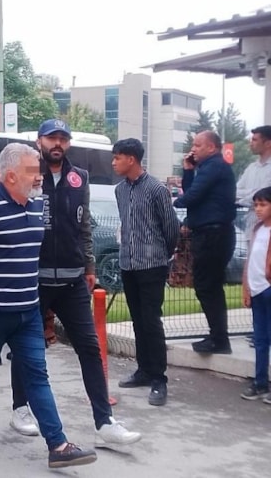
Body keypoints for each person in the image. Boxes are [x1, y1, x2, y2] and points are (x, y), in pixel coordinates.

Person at [0, 143, 97, 468]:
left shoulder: (37, 203)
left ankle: (58, 445)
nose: (39, 176)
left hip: (28, 310)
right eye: (32, 171)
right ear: (11, 175)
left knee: (37, 376)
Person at [6, 120, 140, 447]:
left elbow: (84, 226)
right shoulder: (27, 172)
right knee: (27, 347)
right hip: (33, 277)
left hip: (72, 278)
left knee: (90, 348)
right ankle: (20, 408)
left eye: (63, 139)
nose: (58, 143)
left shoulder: (79, 177)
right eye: (52, 138)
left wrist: (89, 264)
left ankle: (104, 421)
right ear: (39, 141)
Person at [112, 139, 180, 406]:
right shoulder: (119, 190)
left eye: (117, 157)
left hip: (152, 264)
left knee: (151, 321)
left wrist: (163, 253)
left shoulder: (156, 189)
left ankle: (159, 379)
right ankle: (143, 370)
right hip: (128, 264)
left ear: (131, 159)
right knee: (138, 320)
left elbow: (171, 227)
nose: (114, 162)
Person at [173, 131, 237, 354]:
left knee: (207, 286)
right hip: (209, 234)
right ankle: (217, 336)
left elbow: (192, 197)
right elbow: (192, 191)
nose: (193, 149)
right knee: (207, 286)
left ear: (211, 147)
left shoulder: (214, 167)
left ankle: (219, 339)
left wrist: (173, 201)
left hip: (214, 235)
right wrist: (188, 170)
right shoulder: (207, 167)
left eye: (198, 145)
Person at [241, 186, 271, 403]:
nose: (258, 209)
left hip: (268, 288)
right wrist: (246, 287)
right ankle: (260, 382)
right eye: (256, 205)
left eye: (263, 205)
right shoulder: (258, 229)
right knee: (260, 340)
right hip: (257, 289)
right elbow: (250, 260)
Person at [236, 125, 271, 234]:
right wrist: (253, 193)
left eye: (255, 140)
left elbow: (264, 196)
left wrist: (244, 198)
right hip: (251, 225)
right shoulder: (251, 168)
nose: (251, 143)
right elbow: (235, 191)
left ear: (268, 143)